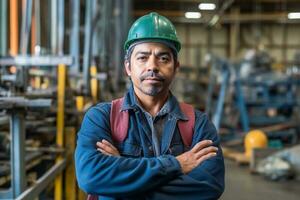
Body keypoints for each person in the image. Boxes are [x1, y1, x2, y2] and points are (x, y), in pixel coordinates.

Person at [75, 12, 225, 200]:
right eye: (142, 57)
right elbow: (91, 177)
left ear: (176, 67)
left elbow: (209, 186)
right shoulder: (101, 118)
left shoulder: (198, 124)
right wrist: (176, 165)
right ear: (128, 67)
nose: (152, 66)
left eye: (163, 58)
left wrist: (122, 177)